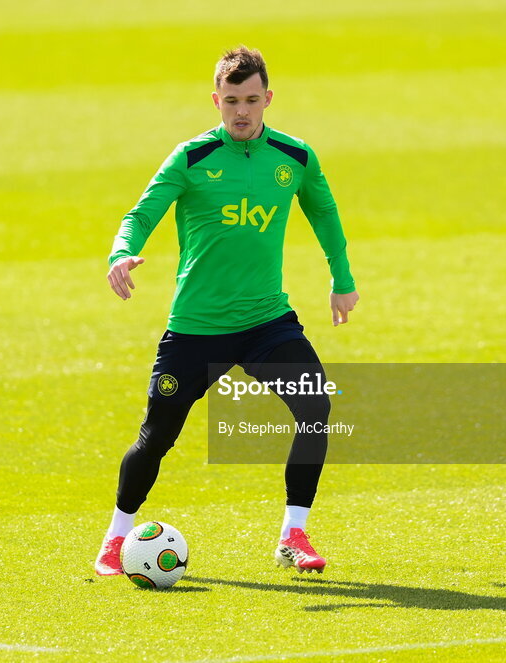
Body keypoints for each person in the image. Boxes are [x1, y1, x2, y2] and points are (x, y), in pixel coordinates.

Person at [95, 46, 359, 576]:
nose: (242, 112)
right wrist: (122, 252)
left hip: (267, 323)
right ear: (217, 101)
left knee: (316, 409)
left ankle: (293, 533)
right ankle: (115, 537)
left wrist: (342, 279)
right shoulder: (190, 159)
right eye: (232, 101)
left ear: (268, 99)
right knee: (157, 437)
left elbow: (325, 212)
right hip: (196, 330)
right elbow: (142, 212)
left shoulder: (295, 157)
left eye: (252, 100)